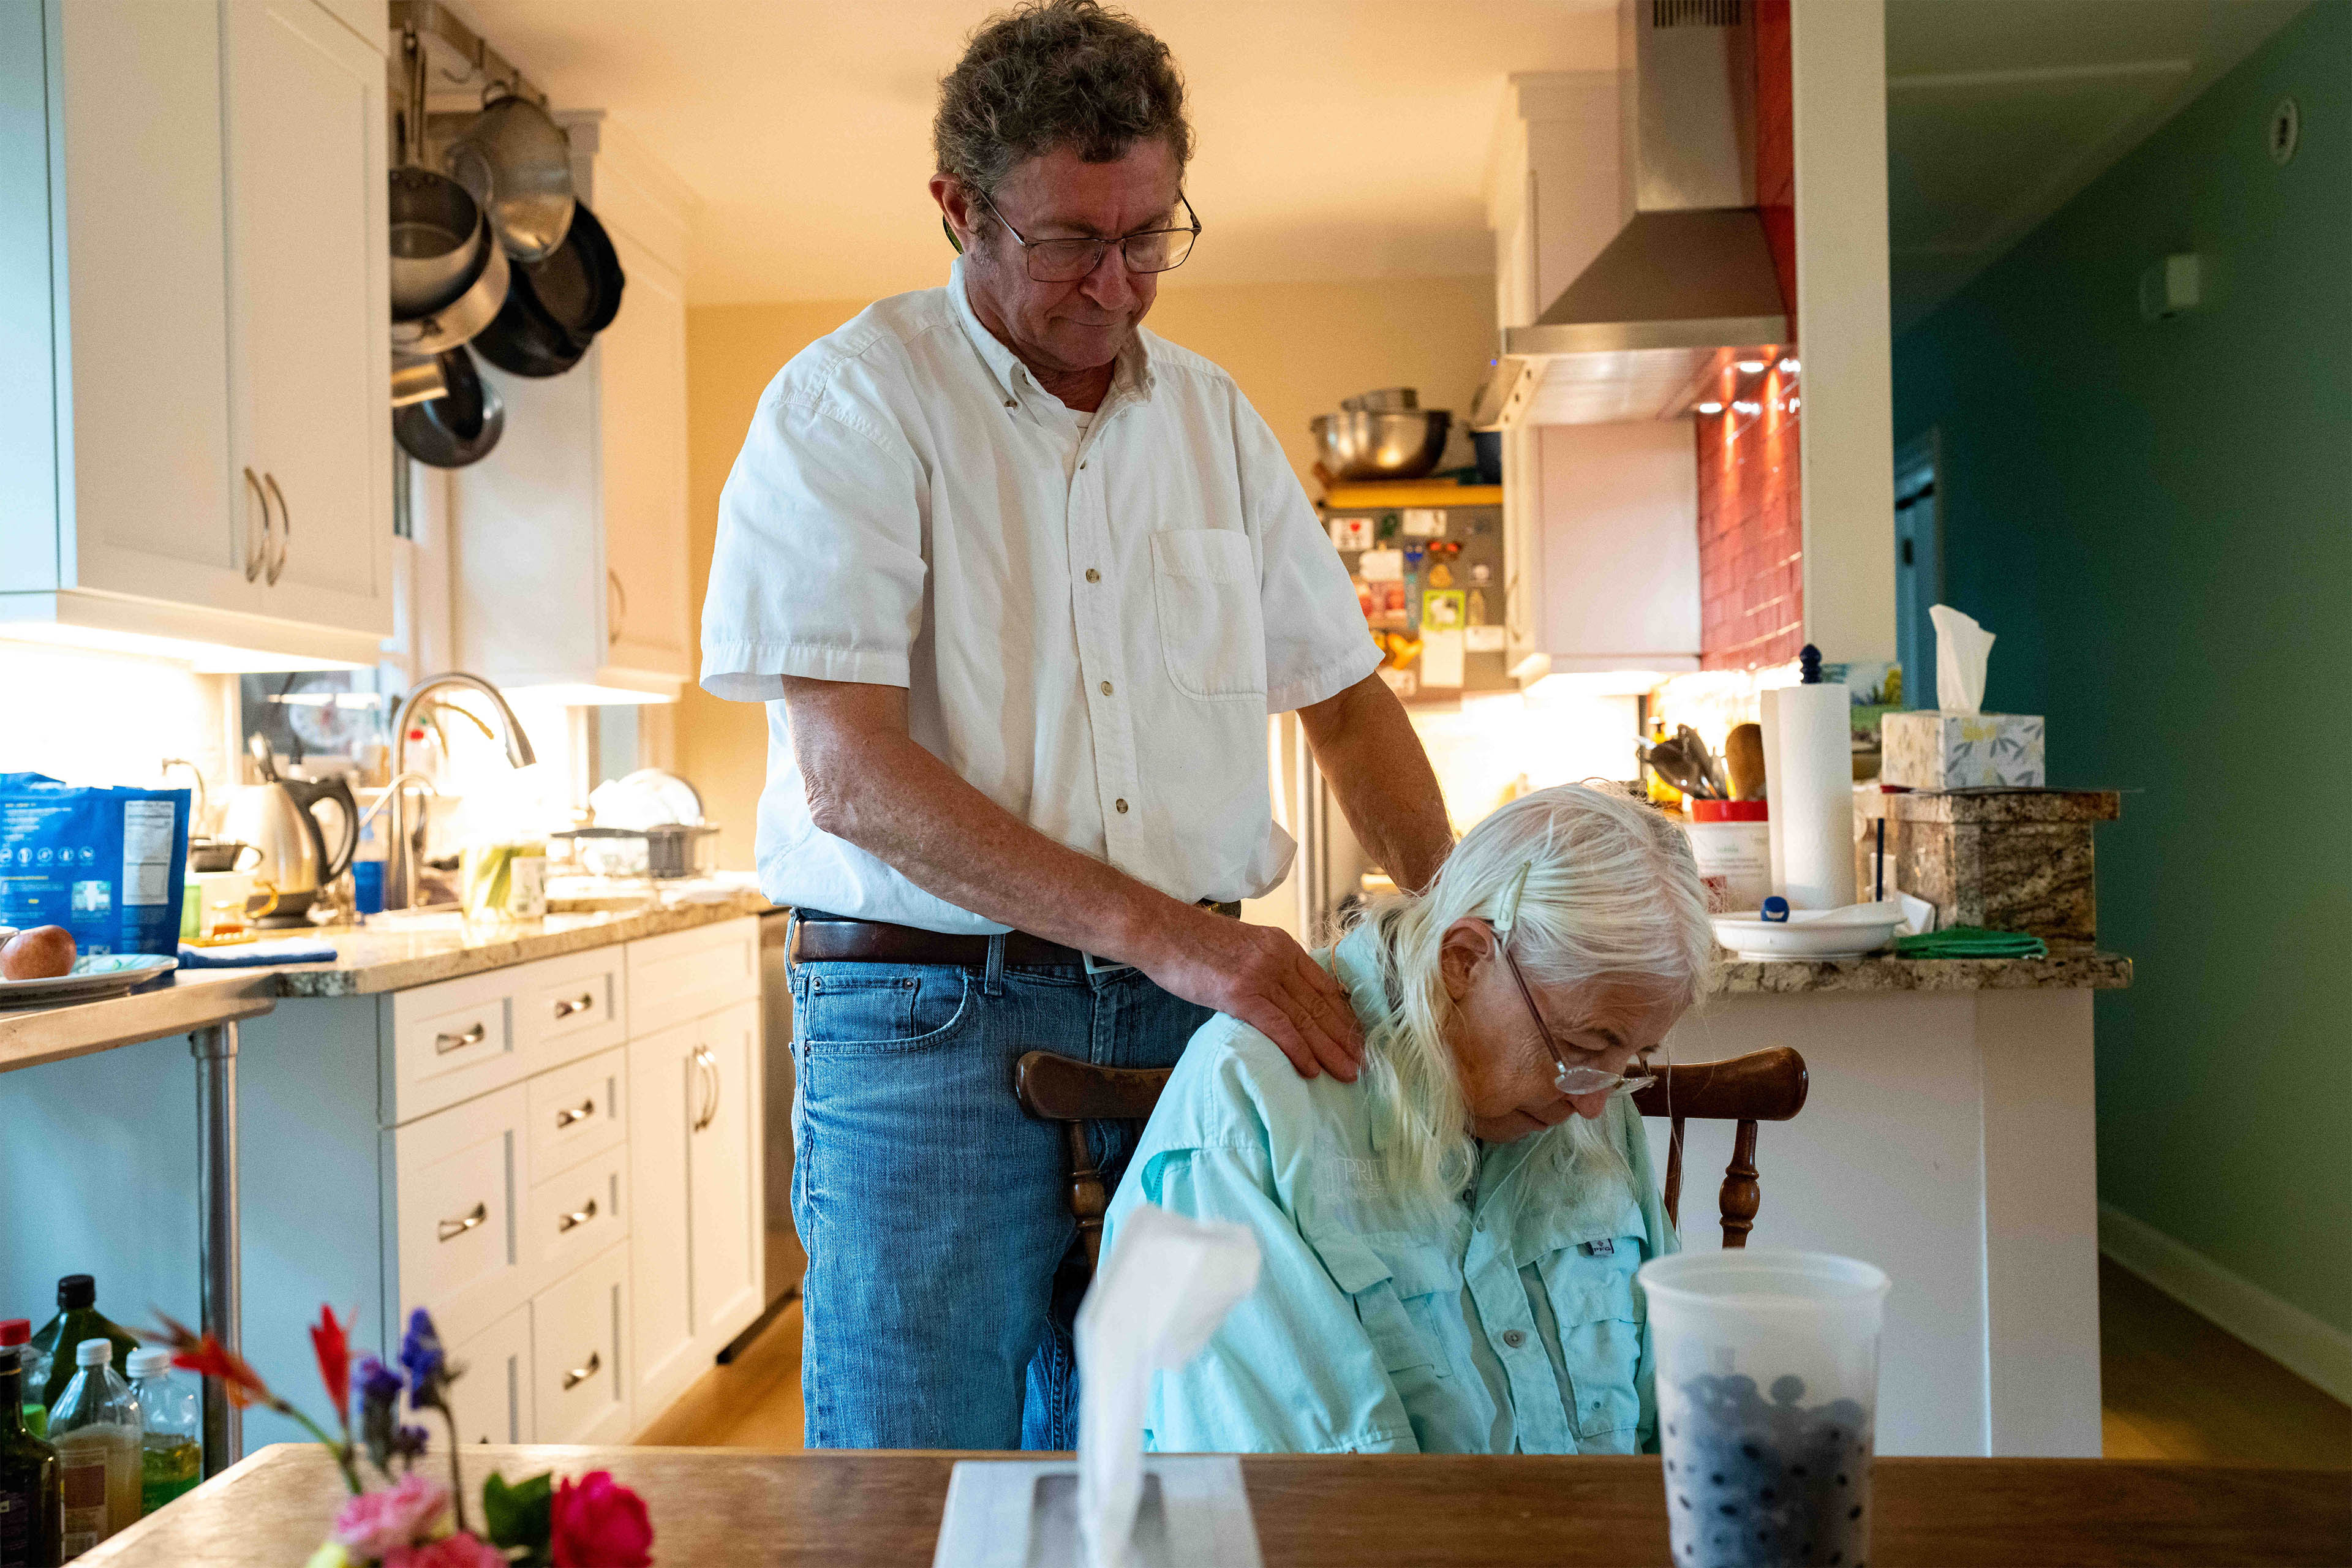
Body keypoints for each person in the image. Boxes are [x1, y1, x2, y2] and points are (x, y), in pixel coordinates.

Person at [697, 0, 1453, 1450]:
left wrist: (1465, 923)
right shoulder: (851, 406)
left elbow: (1348, 709)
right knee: (913, 1491)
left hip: (1190, 1017)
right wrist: (1173, 933)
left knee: (1173, 1463)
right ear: (958, 210)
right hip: (926, 1023)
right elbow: (851, 778)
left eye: (1148, 235)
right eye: (1065, 242)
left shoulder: (1215, 423)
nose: (1112, 284)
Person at [1102, 785, 1716, 1454]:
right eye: (1582, 1048)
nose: (1596, 1103)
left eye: (1630, 1060)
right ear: (1465, 961)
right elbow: (1294, 1506)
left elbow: (1674, 1429)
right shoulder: (1252, 1100)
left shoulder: (1585, 1099)